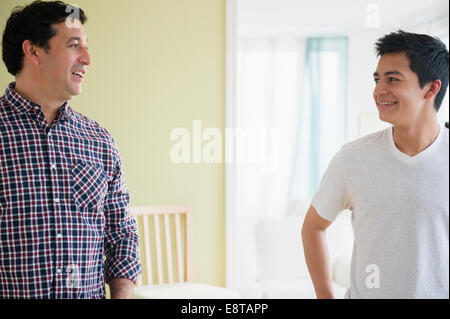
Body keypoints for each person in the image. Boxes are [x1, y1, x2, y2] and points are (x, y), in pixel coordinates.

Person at [0, 1, 142, 298]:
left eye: (86, 46)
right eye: (74, 45)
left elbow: (122, 234)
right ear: (34, 51)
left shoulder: (100, 141)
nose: (87, 58)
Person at [302, 30, 449, 299]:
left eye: (392, 79)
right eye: (377, 79)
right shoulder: (352, 158)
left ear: (431, 88)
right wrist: (325, 295)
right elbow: (313, 226)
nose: (379, 91)